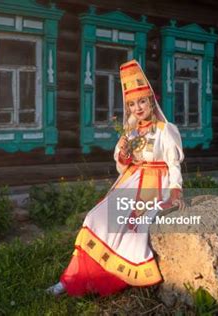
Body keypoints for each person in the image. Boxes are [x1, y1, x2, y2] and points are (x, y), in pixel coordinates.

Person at [46, 59, 185, 296]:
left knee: (133, 226)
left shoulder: (166, 130)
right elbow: (121, 165)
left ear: (152, 101)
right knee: (94, 217)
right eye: (132, 104)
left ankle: (116, 274)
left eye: (142, 101)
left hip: (156, 183)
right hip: (131, 180)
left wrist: (175, 191)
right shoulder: (131, 132)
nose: (138, 108)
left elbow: (173, 164)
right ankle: (71, 280)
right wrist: (123, 154)